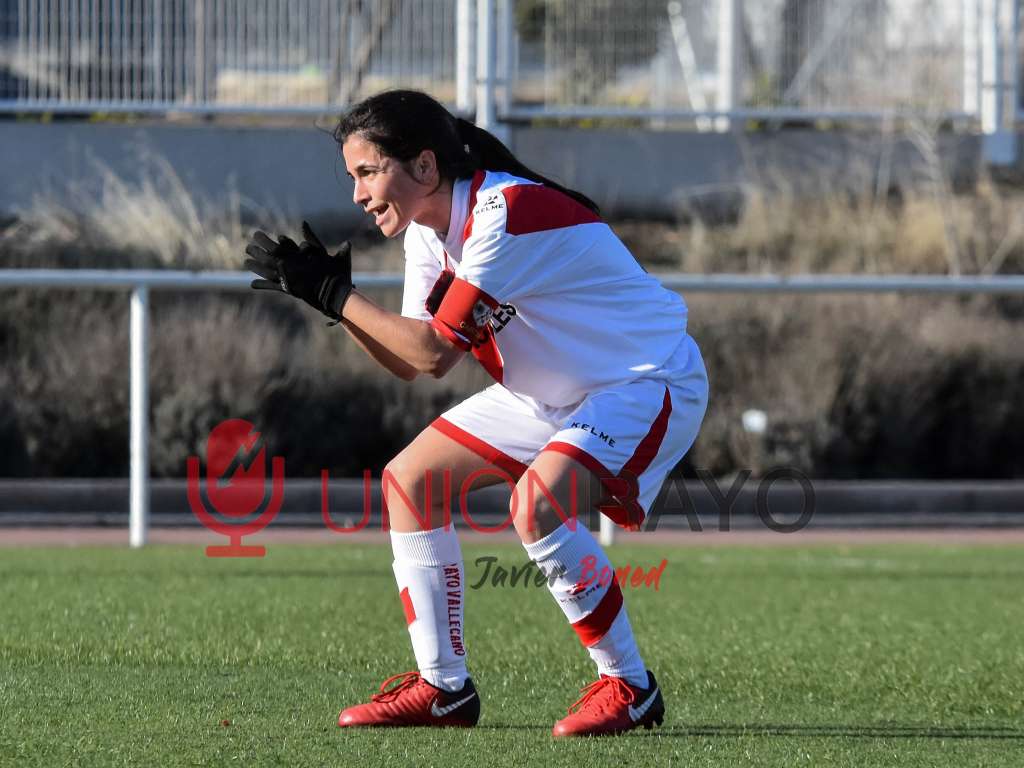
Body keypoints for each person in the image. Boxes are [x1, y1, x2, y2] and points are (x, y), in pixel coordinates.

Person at [244, 90, 708, 737]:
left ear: (425, 168)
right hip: (549, 393)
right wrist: (330, 301)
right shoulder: (428, 236)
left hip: (644, 381)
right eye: (353, 177)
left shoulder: (502, 212)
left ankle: (630, 686)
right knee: (409, 482)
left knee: (535, 505)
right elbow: (407, 361)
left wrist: (336, 295)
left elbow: (432, 354)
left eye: (367, 172)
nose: (357, 193)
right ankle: (443, 689)